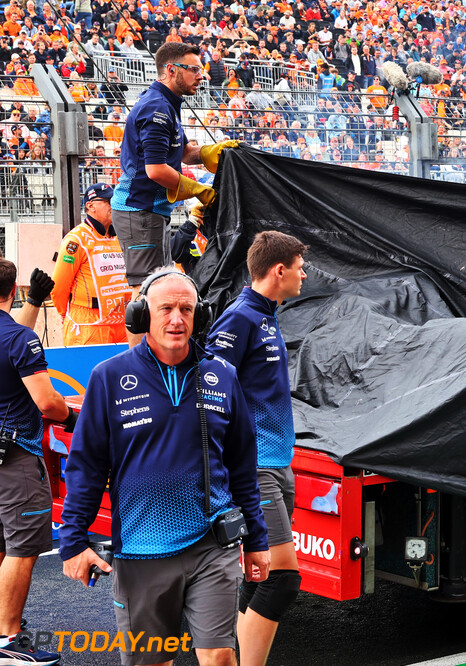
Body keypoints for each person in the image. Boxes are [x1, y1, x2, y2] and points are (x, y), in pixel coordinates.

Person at [58, 268, 270, 666]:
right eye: (166, 308)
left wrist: (258, 540)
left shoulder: (221, 376)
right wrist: (73, 542)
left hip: (213, 545)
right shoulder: (109, 378)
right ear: (143, 316)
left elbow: (243, 466)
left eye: (187, 309)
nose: (177, 319)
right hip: (141, 551)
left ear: (199, 317)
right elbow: (85, 466)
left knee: (220, 657)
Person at [205, 231, 307, 666]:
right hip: (255, 466)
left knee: (259, 573)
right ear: (278, 270)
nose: (305, 274)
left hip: (278, 460)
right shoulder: (241, 318)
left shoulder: (267, 314)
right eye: (300, 267)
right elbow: (209, 390)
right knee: (281, 579)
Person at [110, 41, 237, 341]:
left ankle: (156, 361)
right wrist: (199, 190)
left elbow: (181, 154)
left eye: (201, 70)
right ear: (170, 70)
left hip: (152, 212)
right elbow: (156, 170)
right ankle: (139, 367)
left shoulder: (167, 104)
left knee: (159, 286)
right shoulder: (156, 108)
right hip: (138, 211)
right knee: (145, 292)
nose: (200, 75)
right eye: (193, 69)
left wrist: (210, 153)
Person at [0, 258, 72, 666]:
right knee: (23, 548)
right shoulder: (18, 340)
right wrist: (77, 417)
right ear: (13, 292)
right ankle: (8, 640)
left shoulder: (13, 336)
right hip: (14, 458)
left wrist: (35, 302)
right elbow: (49, 402)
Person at [48, 182, 133, 346]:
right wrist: (64, 314)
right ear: (90, 206)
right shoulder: (76, 239)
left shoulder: (120, 236)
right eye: (108, 202)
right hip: (89, 324)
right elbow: (59, 286)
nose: (113, 205)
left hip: (122, 322)